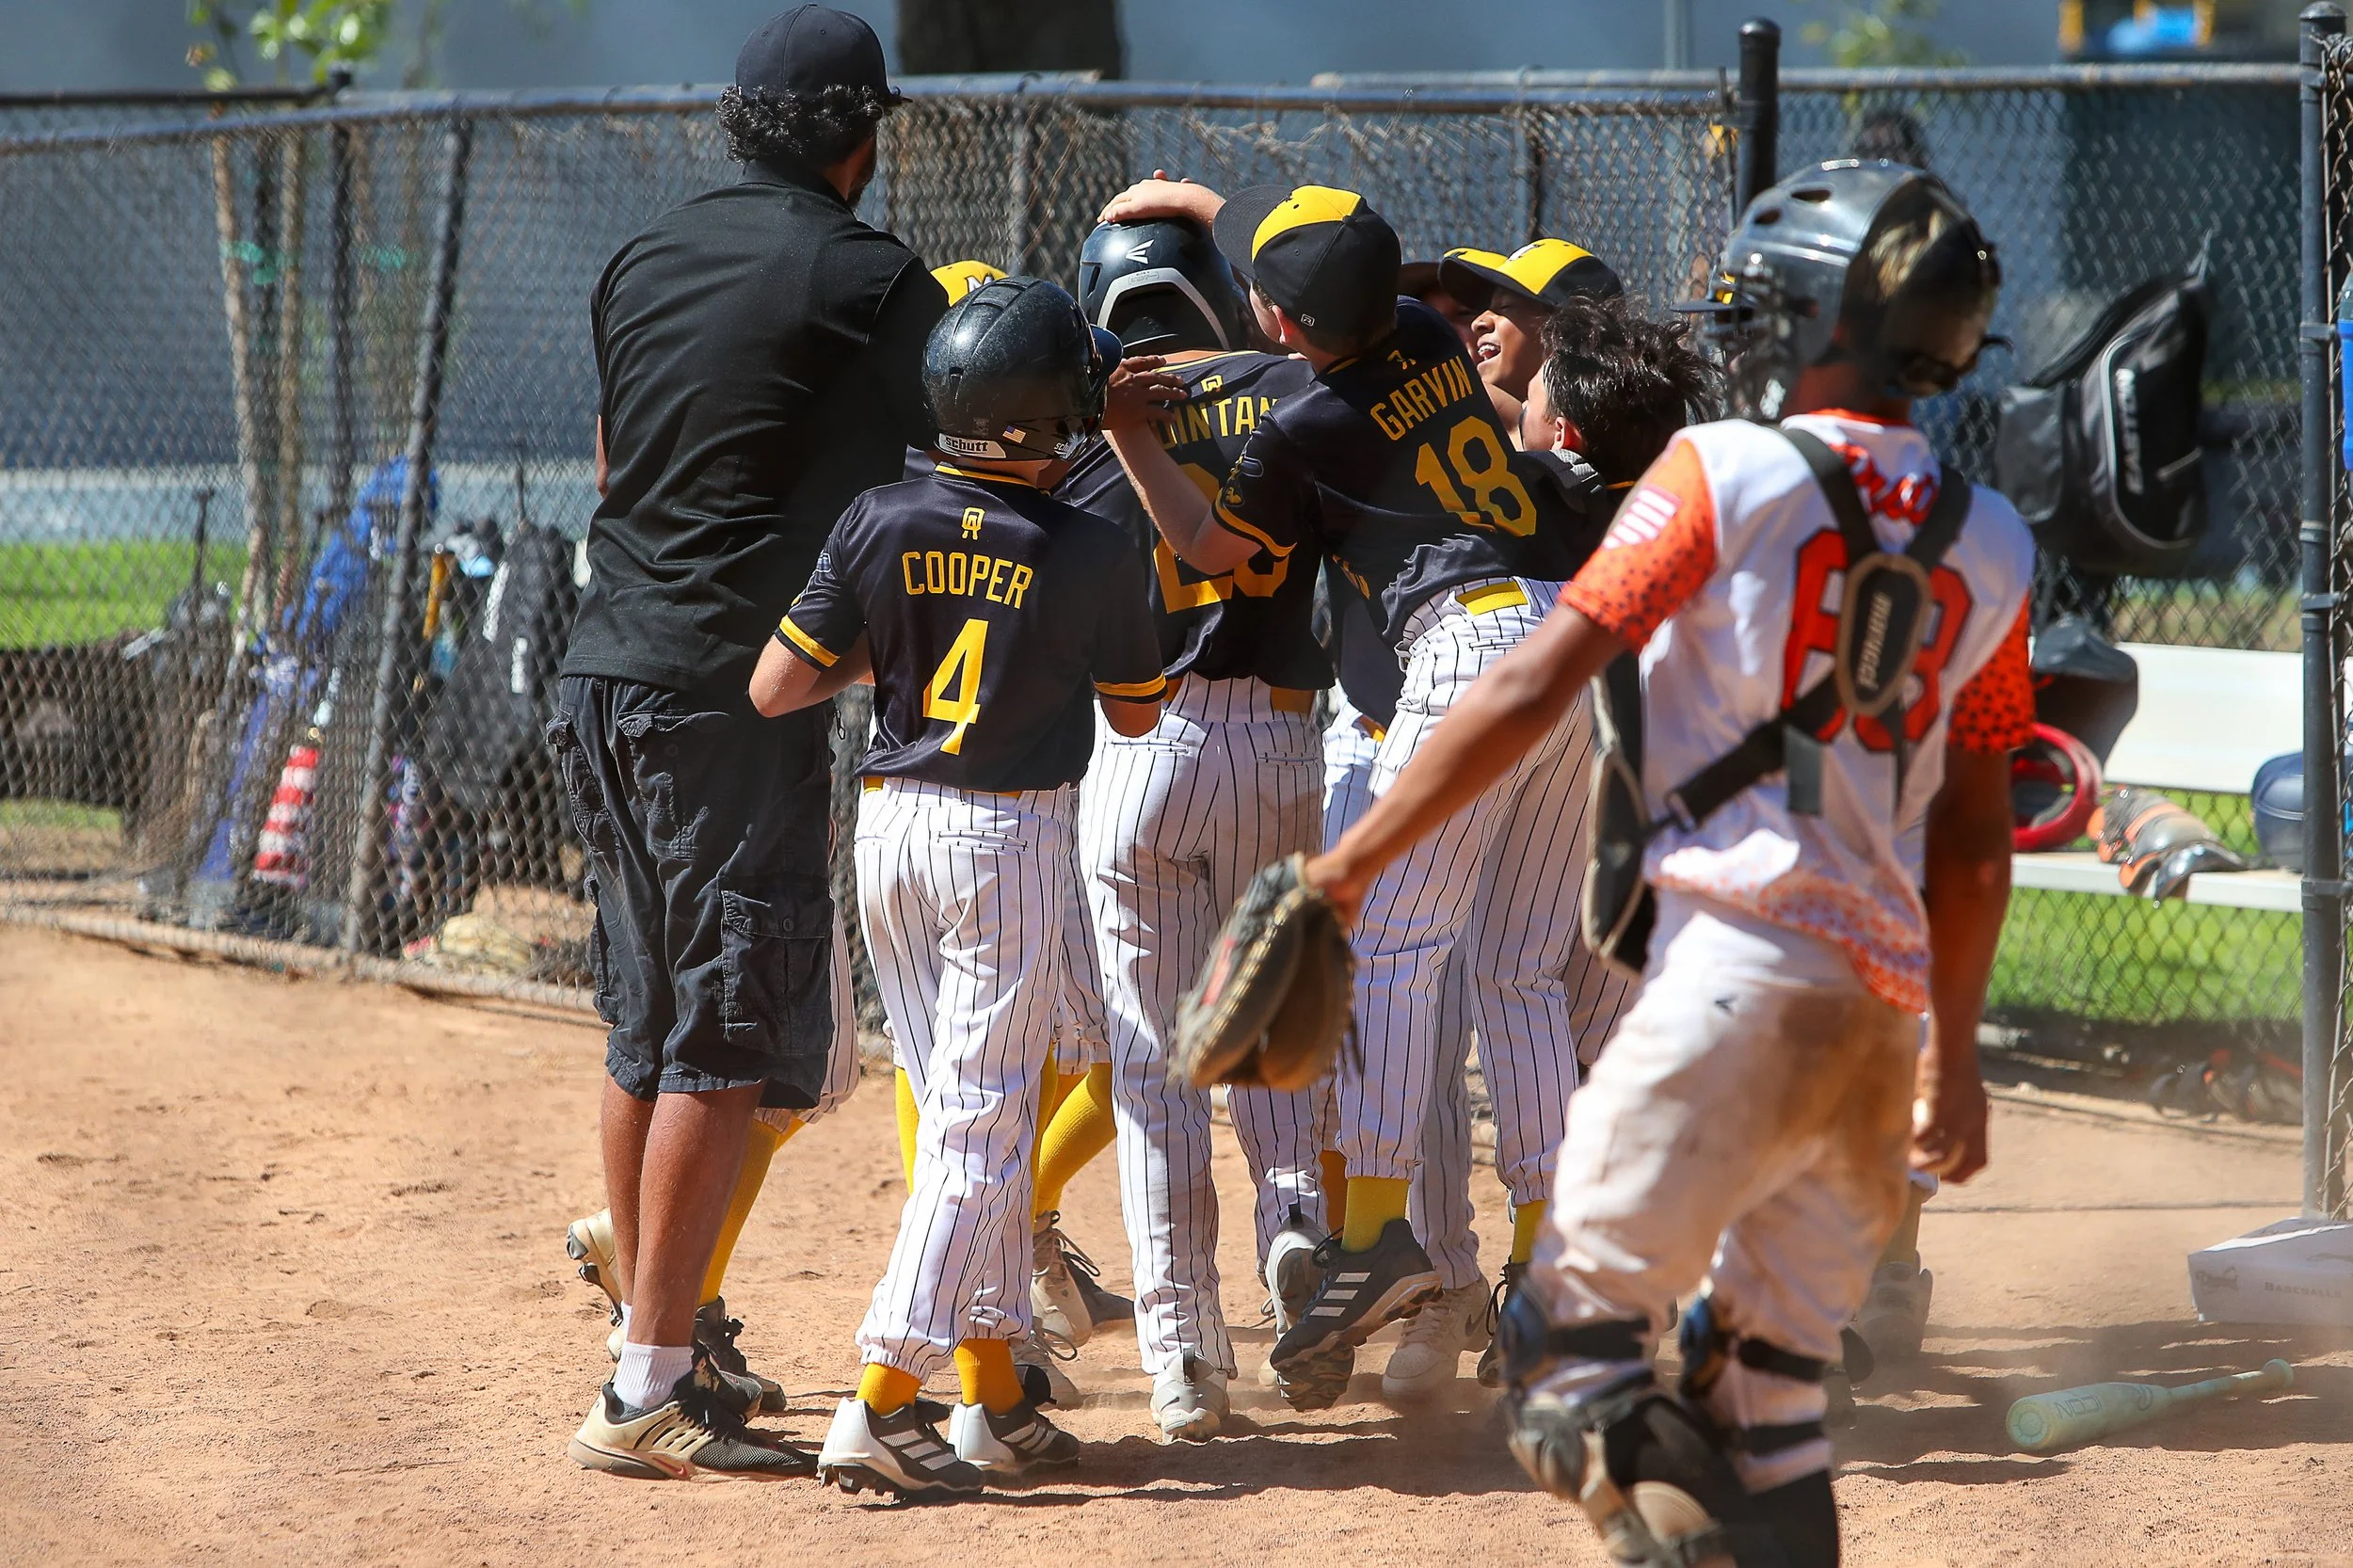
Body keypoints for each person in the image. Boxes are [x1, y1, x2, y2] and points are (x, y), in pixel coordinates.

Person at [1299, 161, 2025, 1566]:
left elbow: (1527, 680)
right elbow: (1977, 839)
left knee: (1564, 1353)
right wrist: (1958, 1052)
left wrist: (1351, 867)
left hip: (1733, 979)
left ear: (1817, 315)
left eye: (1766, 297)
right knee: (1770, 1406)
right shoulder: (1990, 537)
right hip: (1877, 1011)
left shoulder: (1719, 471)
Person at [1095, 176, 1610, 1407]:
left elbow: (1215, 550)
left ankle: (1377, 1233)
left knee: (1384, 950)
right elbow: (1392, 370)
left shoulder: (1299, 427)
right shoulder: (1433, 335)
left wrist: (1128, 431)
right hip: (1564, 641)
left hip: (1462, 655)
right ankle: (1546, 1260)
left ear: (1277, 324)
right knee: (1524, 972)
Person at [552, 5, 947, 1481]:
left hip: (605, 666)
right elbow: (982, 408)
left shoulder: (645, 253)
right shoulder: (863, 270)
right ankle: (646, 1384)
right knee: (719, 1040)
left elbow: (614, 454)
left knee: (650, 1025)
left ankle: (671, 1334)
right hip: (734, 694)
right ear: (860, 144)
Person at [753, 277, 1167, 1498]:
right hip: (1007, 842)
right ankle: (882, 1402)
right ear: (1043, 426)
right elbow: (1139, 711)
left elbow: (781, 683)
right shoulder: (1092, 541)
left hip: (889, 832)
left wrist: (914, 624)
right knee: (983, 1136)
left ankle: (991, 1394)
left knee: (956, 1120)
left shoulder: (877, 515)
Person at [1382, 293, 1711, 1404]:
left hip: (1599, 841)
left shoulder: (1547, 500)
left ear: (1564, 436)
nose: (1519, 408)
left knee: (1512, 989)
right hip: (1684, 849)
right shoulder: (1688, 516)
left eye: (1539, 400)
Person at [1057, 212, 1338, 1434]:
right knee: (1274, 1027)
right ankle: (1296, 1236)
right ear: (1224, 296)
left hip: (1139, 751)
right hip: (1283, 741)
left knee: (1156, 1069)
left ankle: (1182, 1355)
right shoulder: (1293, 388)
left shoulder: (1081, 441)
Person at [1438, 240, 1625, 441]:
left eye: (1505, 307)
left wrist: (1516, 427)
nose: (1478, 323)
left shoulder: (1608, 434)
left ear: (1570, 332)